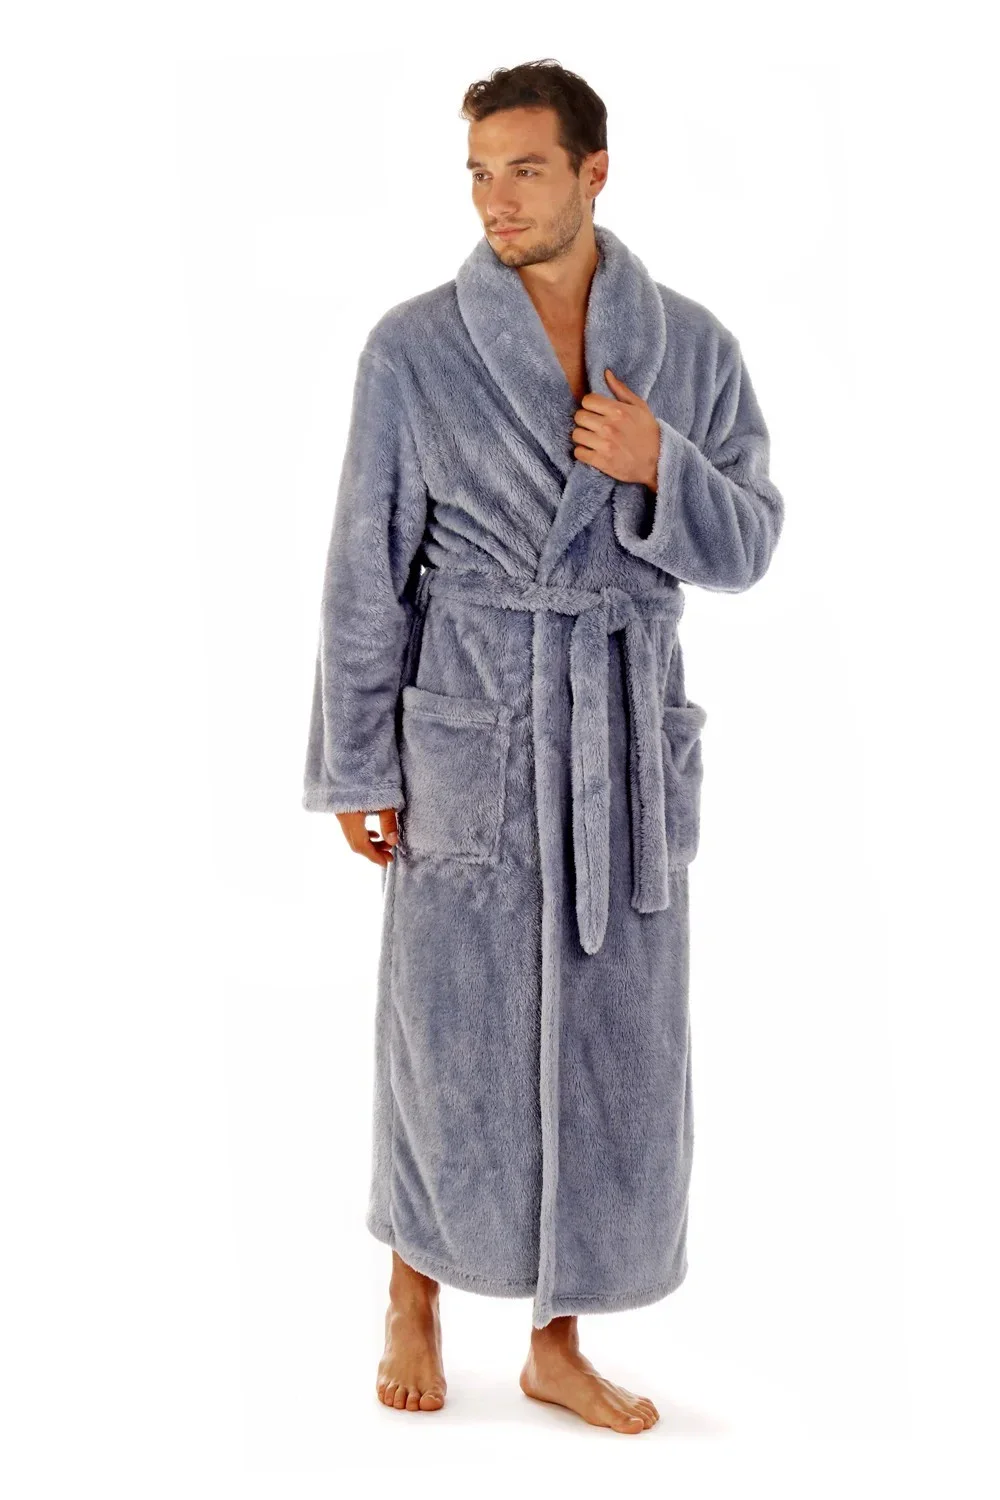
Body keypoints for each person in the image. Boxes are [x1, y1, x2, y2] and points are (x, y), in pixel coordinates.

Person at [303, 58, 784, 1434]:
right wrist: (359, 761)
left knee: (606, 1044)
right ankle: (413, 1289)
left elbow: (751, 542)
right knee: (445, 1031)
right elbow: (366, 568)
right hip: (474, 726)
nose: (496, 199)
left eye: (524, 169)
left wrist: (660, 463)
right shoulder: (413, 347)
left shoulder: (692, 347)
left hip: (619, 744)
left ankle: (555, 1339)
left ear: (593, 172)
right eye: (478, 172)